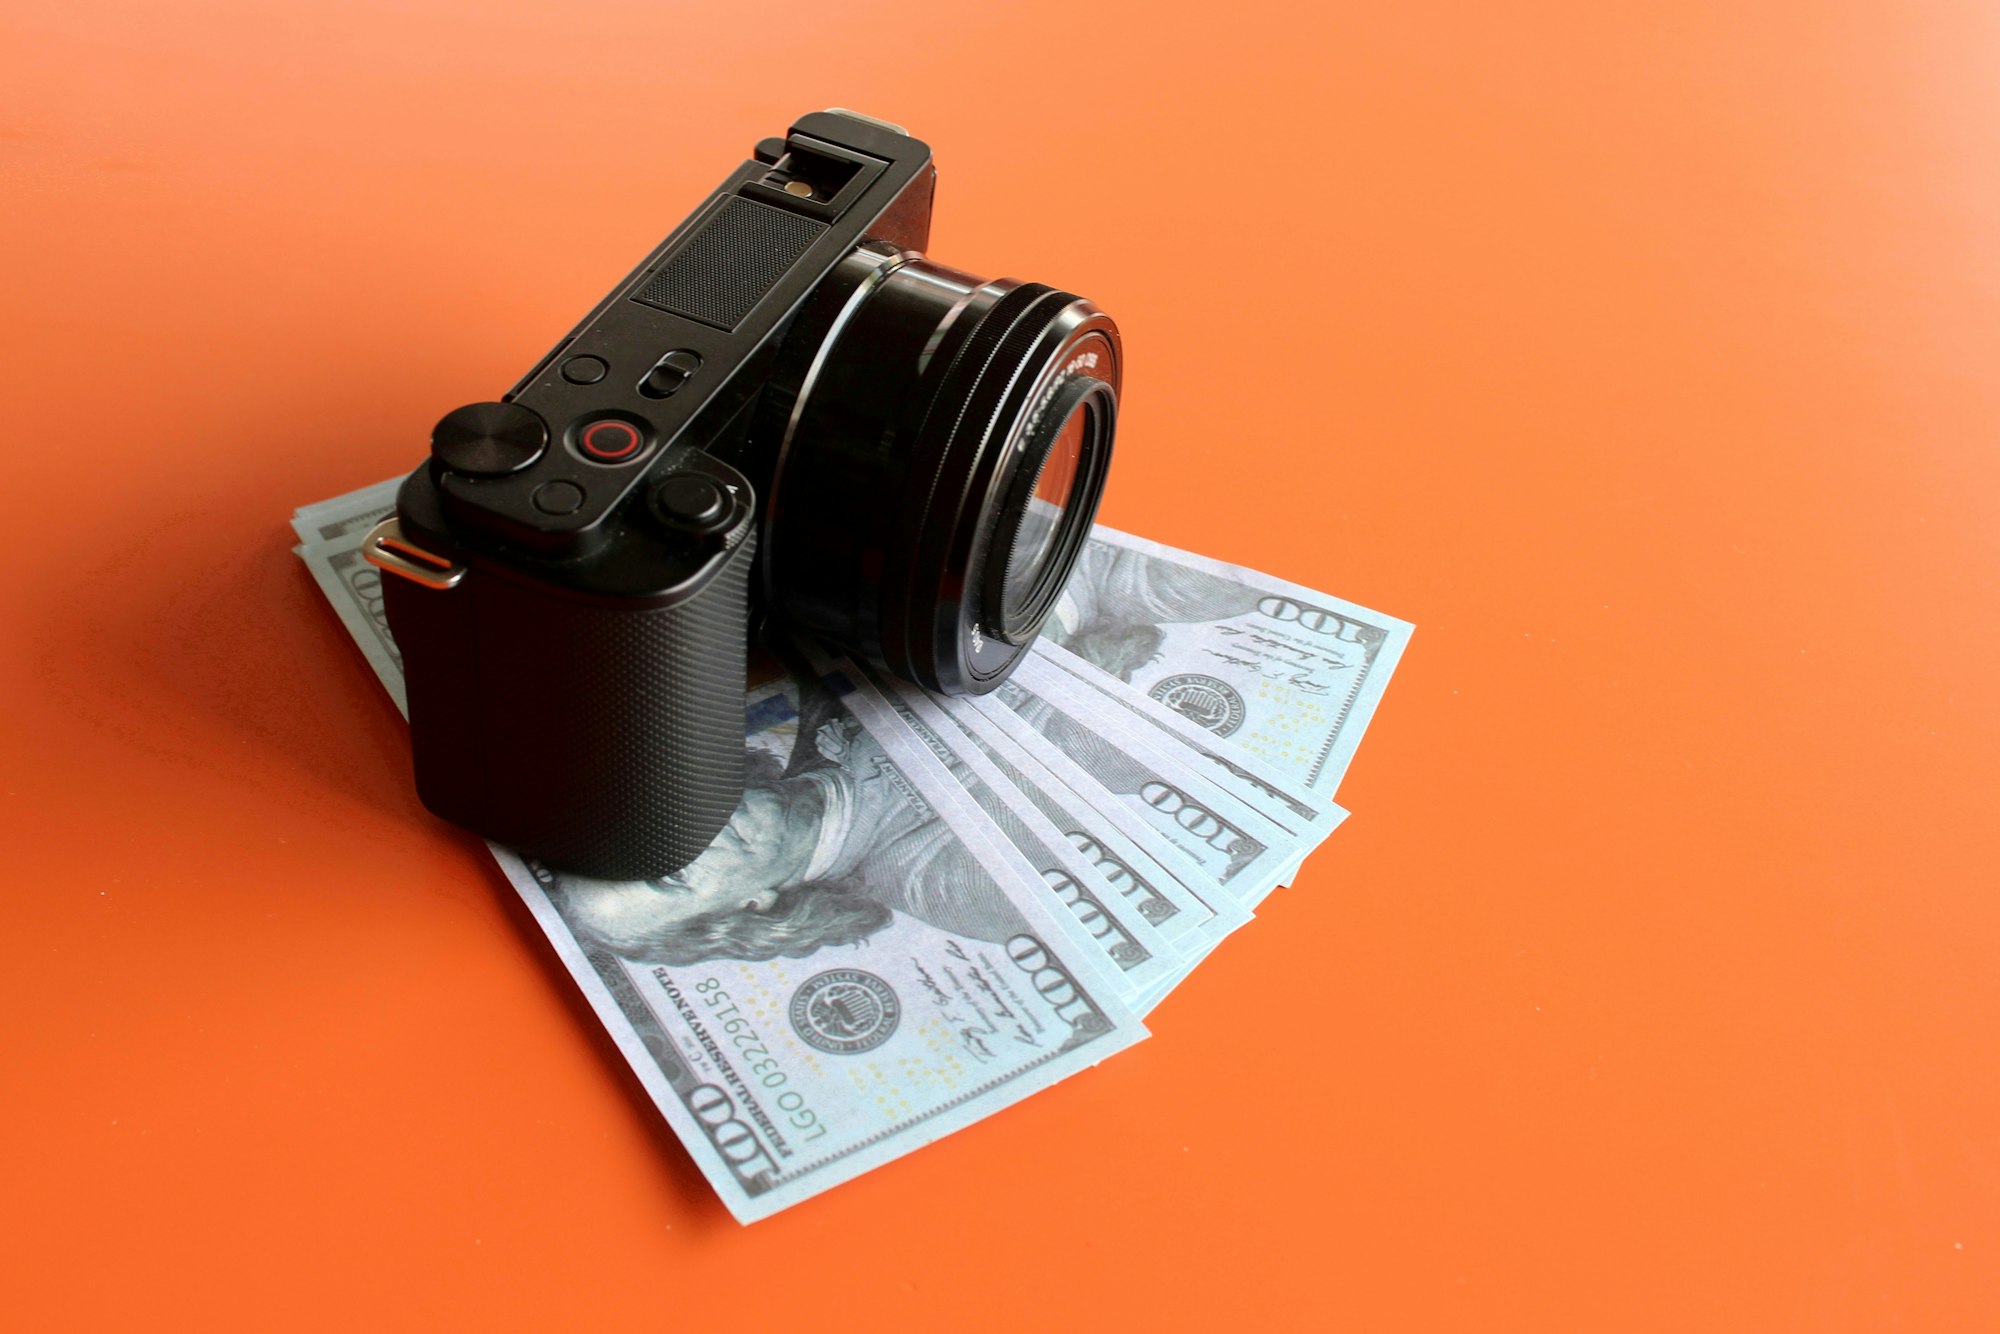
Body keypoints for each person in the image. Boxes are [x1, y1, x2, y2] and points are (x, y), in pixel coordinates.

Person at [552, 675, 1029, 965]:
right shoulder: (946, 886)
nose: (679, 836)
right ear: (751, 909)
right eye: (673, 874)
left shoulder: (820, 701)